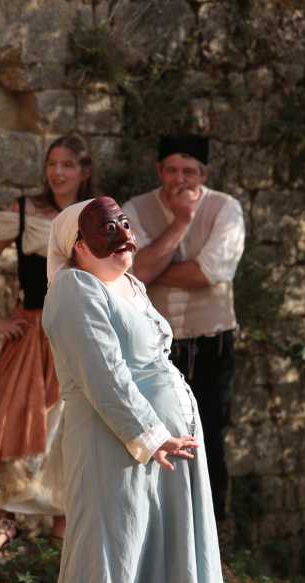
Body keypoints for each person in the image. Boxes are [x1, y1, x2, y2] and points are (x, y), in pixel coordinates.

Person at [22, 196, 237, 583]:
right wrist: (153, 435)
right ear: (76, 245)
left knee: (130, 563)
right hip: (111, 446)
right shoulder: (75, 289)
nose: (122, 231)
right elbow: (104, 376)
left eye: (123, 222)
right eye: (105, 226)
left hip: (147, 449)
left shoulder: (128, 286)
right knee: (100, 563)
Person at [0, 133, 94, 560]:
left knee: (69, 427)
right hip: (32, 332)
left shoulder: (94, 216)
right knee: (10, 422)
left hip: (76, 335)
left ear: (85, 171)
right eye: (52, 164)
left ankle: (63, 532)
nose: (57, 172)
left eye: (67, 164)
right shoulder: (23, 212)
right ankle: (2, 522)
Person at [123, 135, 245, 523]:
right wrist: (181, 222)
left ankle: (213, 531)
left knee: (209, 435)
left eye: (189, 171)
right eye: (172, 170)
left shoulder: (225, 208)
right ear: (159, 171)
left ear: (203, 175)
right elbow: (134, 270)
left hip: (211, 343)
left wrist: (152, 268)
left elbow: (208, 272)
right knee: (154, 434)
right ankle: (158, 527)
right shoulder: (135, 210)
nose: (180, 179)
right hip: (153, 346)